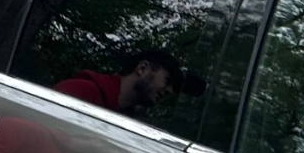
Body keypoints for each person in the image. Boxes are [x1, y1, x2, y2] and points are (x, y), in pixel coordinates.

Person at [52, 48, 197, 115]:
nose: (170, 91)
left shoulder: (126, 121)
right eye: (167, 81)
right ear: (142, 68)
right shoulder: (79, 91)